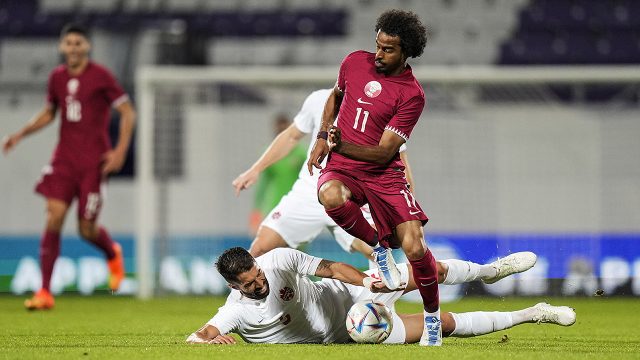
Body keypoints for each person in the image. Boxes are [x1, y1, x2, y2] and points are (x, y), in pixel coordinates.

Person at [232, 89, 536, 283]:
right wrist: (255, 169)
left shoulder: (384, 113)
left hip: (355, 197)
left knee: (393, 254)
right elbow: (290, 137)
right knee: (256, 252)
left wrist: (408, 208)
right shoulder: (319, 100)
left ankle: (486, 272)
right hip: (309, 194)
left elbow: (400, 162)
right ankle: (241, 311)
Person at [306, 10, 441, 345]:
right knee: (330, 196)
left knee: (414, 245)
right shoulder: (353, 62)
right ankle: (380, 251)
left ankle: (433, 319)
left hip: (384, 175)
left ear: (406, 51)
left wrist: (340, 144)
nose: (379, 54)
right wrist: (323, 136)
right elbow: (335, 97)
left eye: (388, 50)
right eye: (377, 46)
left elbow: (383, 153)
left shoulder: (412, 95)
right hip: (344, 169)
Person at [1, 24, 136, 310]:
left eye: (78, 43)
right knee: (53, 216)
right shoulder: (57, 77)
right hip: (63, 160)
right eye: (69, 43)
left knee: (86, 229)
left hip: (93, 164)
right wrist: (19, 134)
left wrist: (120, 151)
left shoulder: (101, 76)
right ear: (62, 47)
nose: (73, 48)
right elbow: (50, 112)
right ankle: (45, 292)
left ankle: (112, 251)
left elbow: (127, 111)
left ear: (87, 46)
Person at [185, 247, 576, 345]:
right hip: (353, 332)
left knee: (428, 271)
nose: (260, 283)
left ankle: (492, 271)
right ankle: (535, 313)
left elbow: (333, 269)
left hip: (350, 294)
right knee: (443, 325)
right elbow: (198, 335)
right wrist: (207, 340)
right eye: (250, 284)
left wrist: (367, 283)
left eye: (258, 274)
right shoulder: (235, 311)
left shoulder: (278, 260)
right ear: (234, 287)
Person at [248, 114, 306, 235]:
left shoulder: (301, 154)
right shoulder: (268, 155)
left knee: (298, 247)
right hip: (275, 206)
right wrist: (257, 210)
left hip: (297, 206)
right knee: (273, 244)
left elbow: (310, 180)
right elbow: (262, 185)